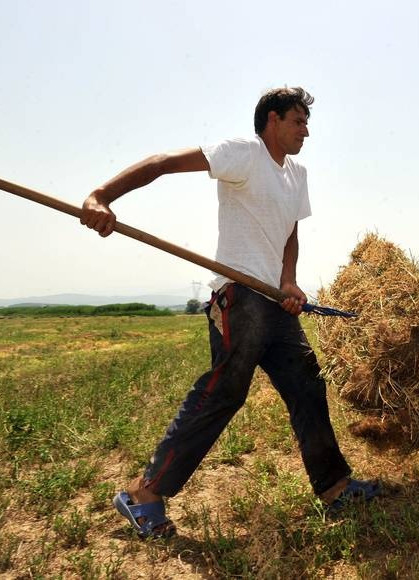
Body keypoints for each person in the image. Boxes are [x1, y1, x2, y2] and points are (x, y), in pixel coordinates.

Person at [80, 87, 379, 539]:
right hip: (238, 295)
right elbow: (162, 163)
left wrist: (289, 280)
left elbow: (290, 233)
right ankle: (143, 494)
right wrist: (102, 195)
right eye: (298, 121)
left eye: (306, 122)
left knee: (307, 385)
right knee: (225, 391)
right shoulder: (243, 153)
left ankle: (335, 487)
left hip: (275, 302)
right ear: (272, 120)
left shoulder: (297, 173)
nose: (306, 131)